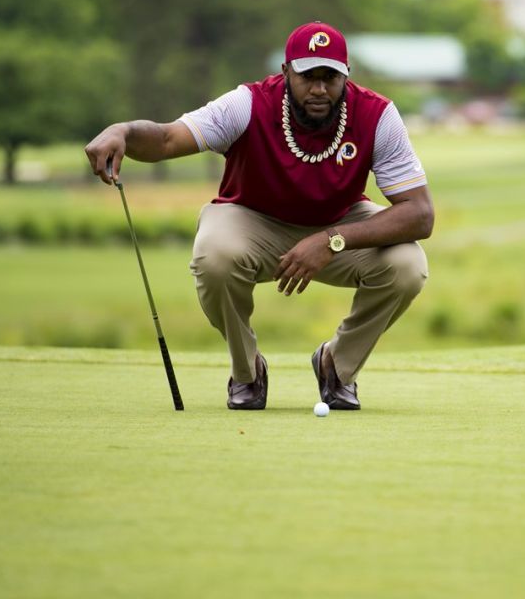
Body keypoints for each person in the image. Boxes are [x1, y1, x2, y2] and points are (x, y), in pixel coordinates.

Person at [84, 22, 433, 411]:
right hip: (252, 218)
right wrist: (124, 132)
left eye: (330, 77)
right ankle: (247, 373)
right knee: (213, 255)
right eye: (308, 76)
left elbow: (419, 214)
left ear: (346, 76)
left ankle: (337, 365)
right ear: (286, 72)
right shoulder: (247, 104)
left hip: (338, 222)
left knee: (408, 264)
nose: (319, 89)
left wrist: (332, 240)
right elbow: (167, 139)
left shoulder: (377, 115)